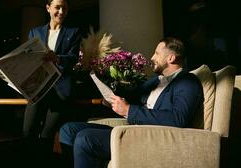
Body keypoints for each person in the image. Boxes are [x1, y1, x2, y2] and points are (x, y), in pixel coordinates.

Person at [59, 37, 203, 168]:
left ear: (171, 58)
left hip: (150, 138)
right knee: (68, 129)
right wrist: (113, 100)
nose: (152, 57)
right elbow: (132, 98)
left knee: (85, 138)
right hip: (134, 130)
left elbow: (178, 118)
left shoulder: (187, 82)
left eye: (157, 53)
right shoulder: (155, 80)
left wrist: (128, 110)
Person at [22, 0, 81, 157]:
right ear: (48, 8)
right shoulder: (35, 32)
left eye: (65, 9)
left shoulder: (73, 32)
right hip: (37, 88)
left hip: (60, 91)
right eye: (57, 7)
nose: (61, 12)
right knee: (28, 131)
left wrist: (58, 58)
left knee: (47, 136)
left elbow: (73, 59)